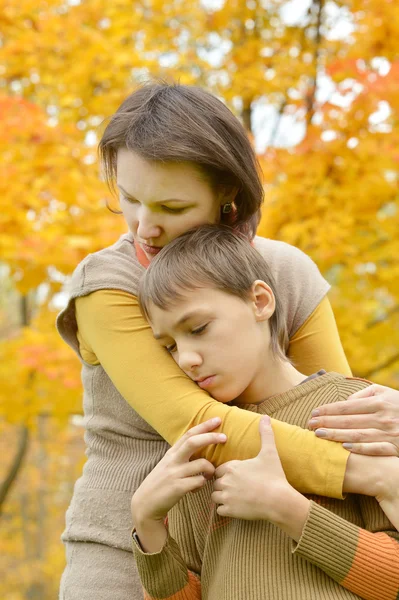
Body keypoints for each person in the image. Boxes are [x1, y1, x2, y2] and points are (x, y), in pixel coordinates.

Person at [56, 81, 396, 599]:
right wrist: (370, 473)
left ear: (228, 195)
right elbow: (198, 426)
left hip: (276, 550)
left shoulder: (285, 271)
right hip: (124, 555)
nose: (143, 227)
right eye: (128, 199)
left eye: (170, 206)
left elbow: (335, 411)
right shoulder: (108, 283)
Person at [131, 225, 399, 600]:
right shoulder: (201, 445)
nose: (186, 359)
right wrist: (147, 525)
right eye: (170, 347)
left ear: (260, 302)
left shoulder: (355, 408)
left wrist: (288, 509)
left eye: (199, 328)